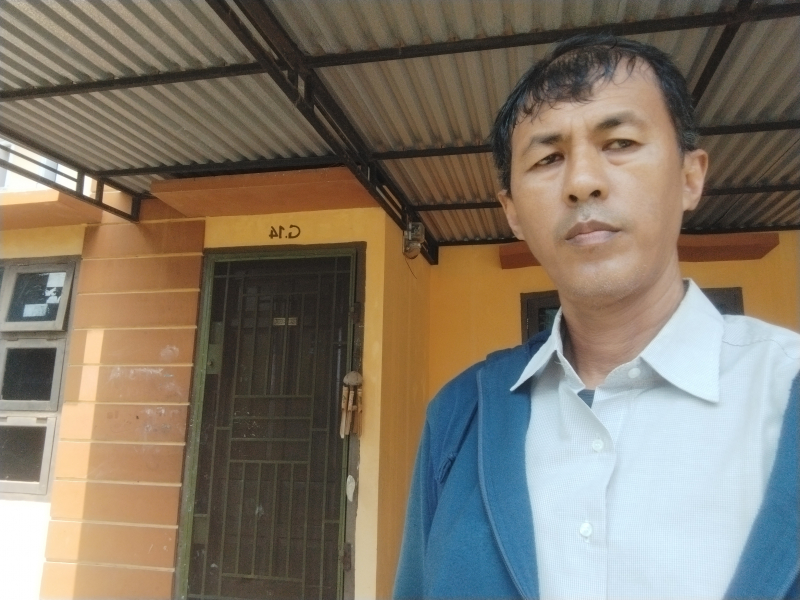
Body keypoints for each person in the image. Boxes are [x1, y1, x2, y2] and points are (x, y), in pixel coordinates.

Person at [394, 34, 799, 600]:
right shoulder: (460, 416)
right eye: (548, 158)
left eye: (620, 142)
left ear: (690, 176)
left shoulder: (785, 386)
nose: (583, 181)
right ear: (512, 211)